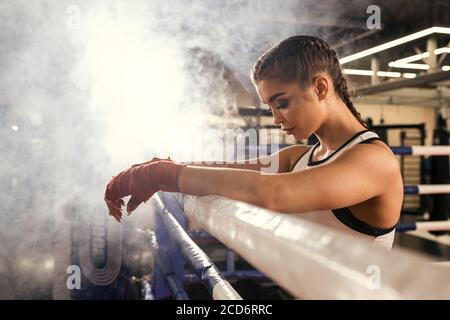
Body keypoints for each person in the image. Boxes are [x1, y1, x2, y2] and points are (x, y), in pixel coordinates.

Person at [105, 35, 403, 249]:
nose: (275, 118)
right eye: (270, 107)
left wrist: (161, 174)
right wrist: (160, 170)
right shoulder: (298, 157)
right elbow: (228, 171)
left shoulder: (374, 162)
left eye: (282, 103)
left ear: (320, 87)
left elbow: (275, 194)